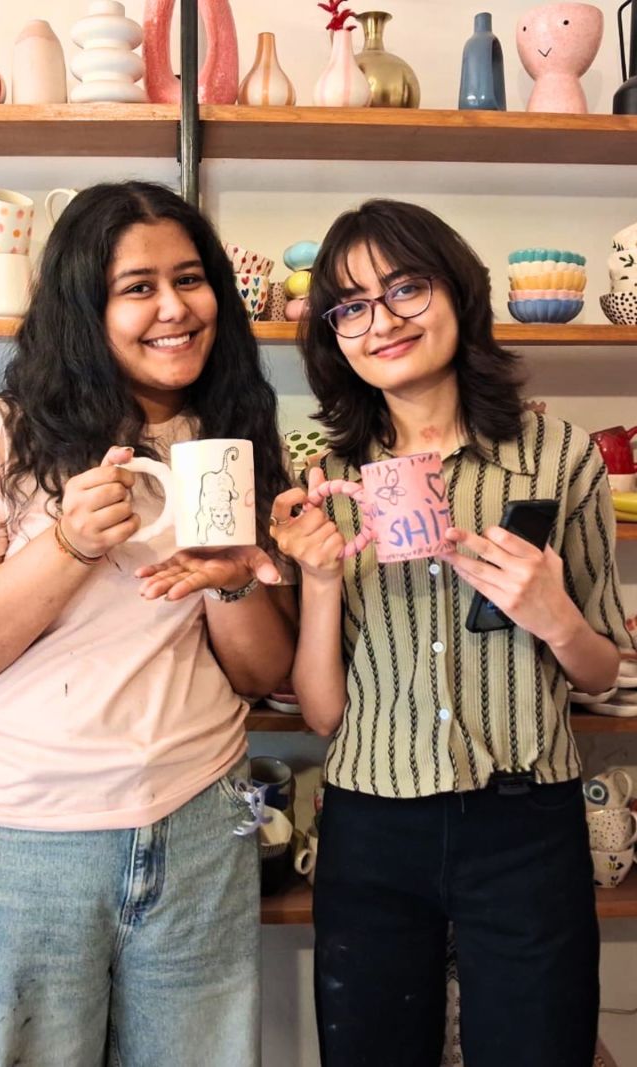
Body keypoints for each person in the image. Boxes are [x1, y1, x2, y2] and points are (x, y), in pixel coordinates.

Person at [0, 180, 296, 1067]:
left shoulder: (228, 438)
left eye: (189, 279)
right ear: (86, 308)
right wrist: (69, 544)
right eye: (137, 287)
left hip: (199, 828)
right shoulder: (2, 437)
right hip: (22, 846)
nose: (174, 308)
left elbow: (258, 672)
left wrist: (231, 584)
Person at [269, 198, 633, 1067]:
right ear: (333, 335)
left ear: (458, 292)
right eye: (351, 306)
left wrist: (553, 614)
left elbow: (598, 670)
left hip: (525, 821)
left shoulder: (560, 455)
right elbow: (323, 712)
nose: (382, 321)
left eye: (406, 288)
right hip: (371, 822)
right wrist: (319, 579)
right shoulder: (327, 476)